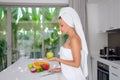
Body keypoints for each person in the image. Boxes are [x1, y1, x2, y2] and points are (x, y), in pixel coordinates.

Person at [46, 7, 88, 80]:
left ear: (69, 23)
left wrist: (58, 59)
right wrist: (60, 69)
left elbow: (76, 64)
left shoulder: (74, 39)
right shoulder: (69, 38)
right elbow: (70, 60)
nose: (60, 28)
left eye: (62, 25)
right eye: (59, 25)